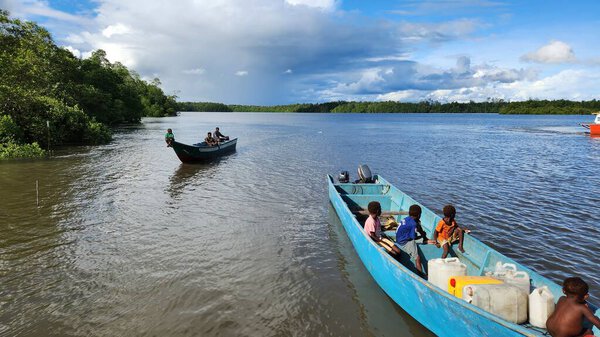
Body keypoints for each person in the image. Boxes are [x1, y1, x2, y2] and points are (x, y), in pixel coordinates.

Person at [392, 204, 434, 275]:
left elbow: (418, 226)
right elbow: (413, 238)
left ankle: (426, 239)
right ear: (418, 215)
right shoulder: (413, 224)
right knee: (417, 258)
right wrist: (423, 240)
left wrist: (423, 235)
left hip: (399, 238)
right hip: (404, 242)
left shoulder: (407, 219)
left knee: (419, 225)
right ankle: (420, 275)